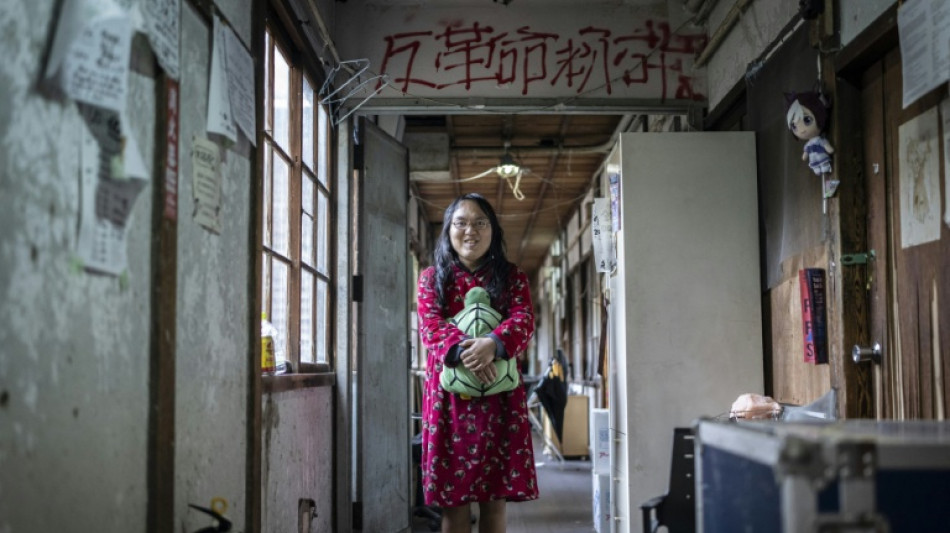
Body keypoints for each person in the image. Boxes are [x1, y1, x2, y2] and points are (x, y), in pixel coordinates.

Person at [416, 193, 538, 532]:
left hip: (500, 402)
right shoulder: (431, 278)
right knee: (453, 507)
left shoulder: (513, 277)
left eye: (480, 223)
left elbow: (524, 319)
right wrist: (472, 353)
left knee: (494, 502)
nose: (470, 231)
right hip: (449, 402)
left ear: (493, 231)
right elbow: (430, 326)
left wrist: (493, 344)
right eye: (461, 223)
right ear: (449, 230)